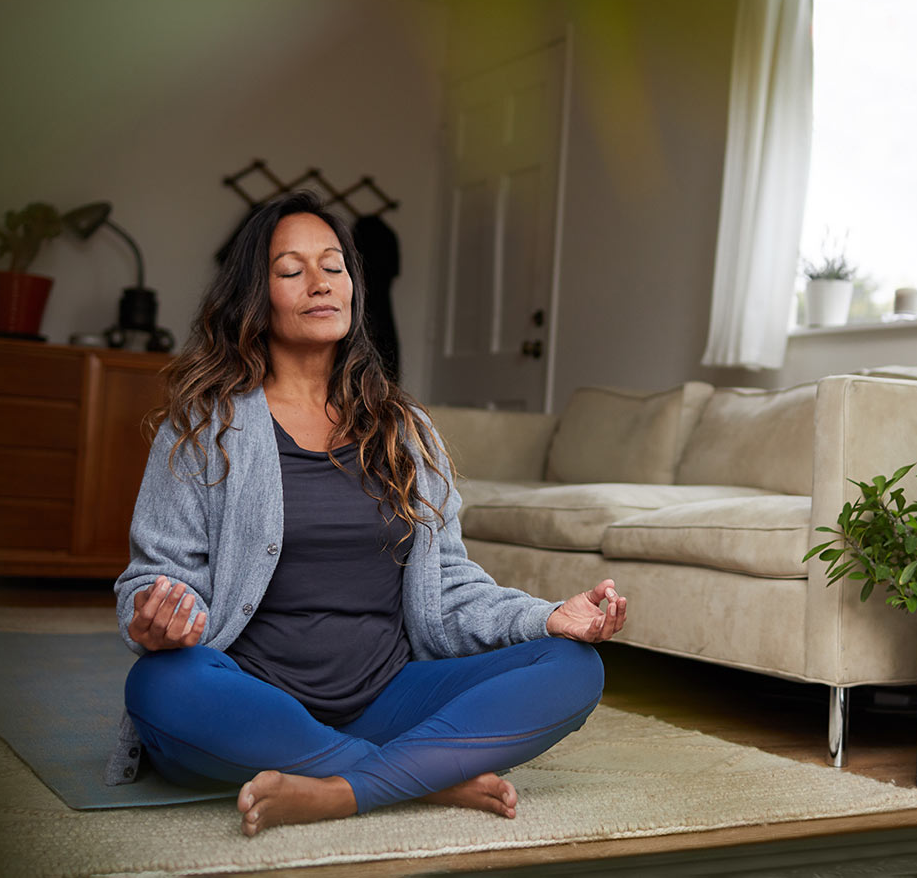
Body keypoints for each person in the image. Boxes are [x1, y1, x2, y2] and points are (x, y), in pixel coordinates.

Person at [105, 191, 627, 837]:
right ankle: (424, 776)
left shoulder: (407, 432)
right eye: (292, 270)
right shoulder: (201, 429)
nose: (321, 283)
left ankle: (339, 788)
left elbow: (450, 589)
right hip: (253, 700)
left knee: (573, 666)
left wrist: (547, 616)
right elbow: (153, 578)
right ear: (255, 296)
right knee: (160, 685)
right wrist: (161, 617)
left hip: (387, 699)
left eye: (334, 266)